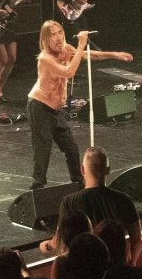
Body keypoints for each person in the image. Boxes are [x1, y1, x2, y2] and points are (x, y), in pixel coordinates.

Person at [25, 21, 133, 189]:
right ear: (45, 38)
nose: (58, 37)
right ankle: (37, 188)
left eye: (60, 32)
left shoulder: (66, 49)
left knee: (72, 149)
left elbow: (88, 55)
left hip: (56, 111)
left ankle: (78, 182)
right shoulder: (44, 58)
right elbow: (69, 72)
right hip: (39, 107)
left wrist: (115, 54)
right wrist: (81, 43)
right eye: (52, 34)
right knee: (42, 151)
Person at [58, 147, 142, 263]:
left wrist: (45, 246)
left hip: (85, 271)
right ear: (108, 170)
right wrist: (131, 263)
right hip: (115, 269)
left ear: (82, 170)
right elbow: (137, 239)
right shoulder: (123, 200)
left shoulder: (69, 202)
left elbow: (62, 244)